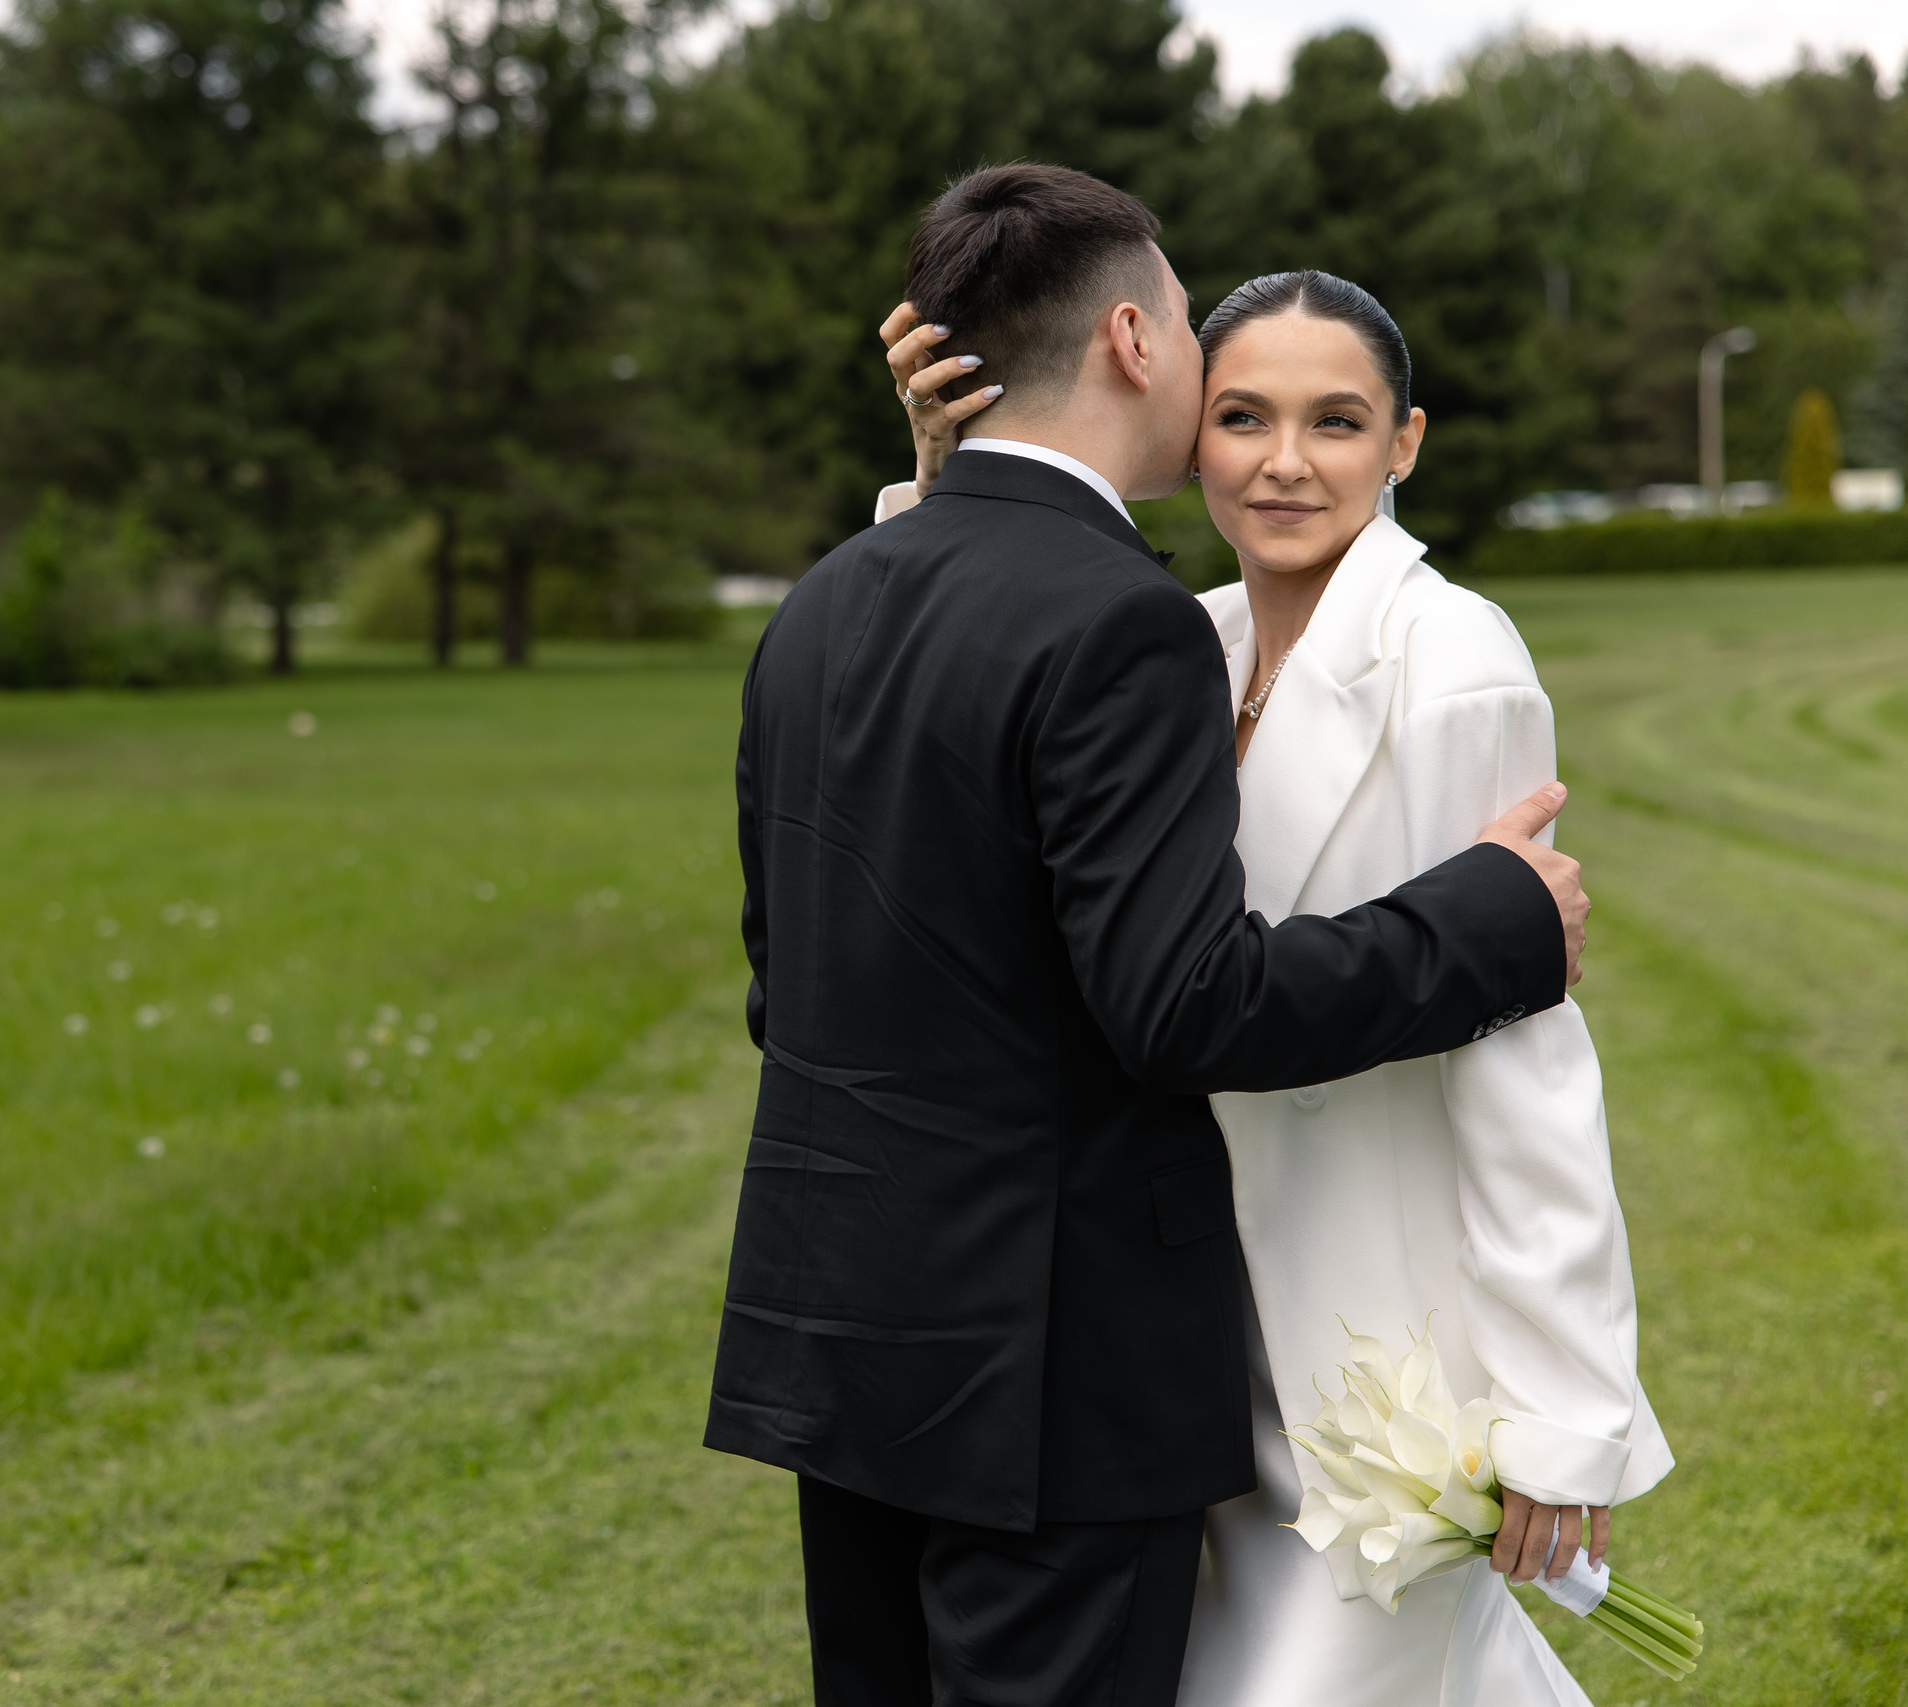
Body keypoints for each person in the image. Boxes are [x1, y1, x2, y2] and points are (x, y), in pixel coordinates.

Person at [704, 162, 1592, 1707]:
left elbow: (791, 995)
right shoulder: (1123, 617)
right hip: (1049, 1368)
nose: (1221, 399)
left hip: (842, 1338)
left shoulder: (831, 598)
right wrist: (1493, 919)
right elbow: (1181, 1006)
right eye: (1193, 332)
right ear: (1129, 336)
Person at [873, 265, 1673, 1703]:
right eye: (1242, 415)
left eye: (1338, 421)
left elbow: (1518, 1045)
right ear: (1189, 432)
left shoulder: (1456, 663)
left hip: (1372, 1342)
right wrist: (947, 494)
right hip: (1173, 1333)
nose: (1287, 462)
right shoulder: (1173, 635)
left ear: (1406, 444)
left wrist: (1565, 1405)